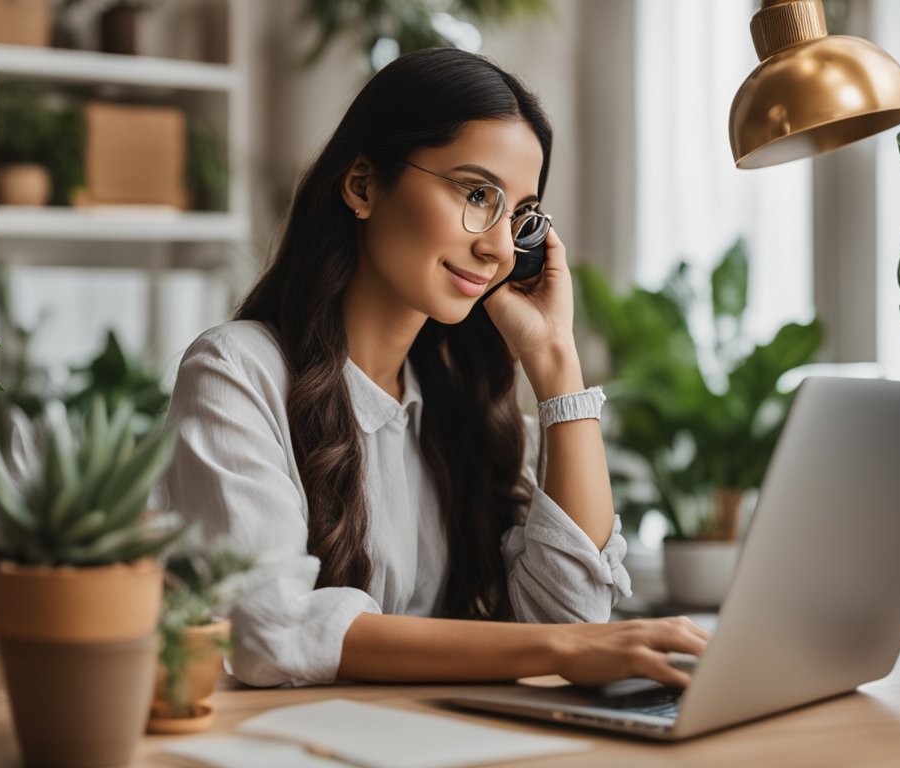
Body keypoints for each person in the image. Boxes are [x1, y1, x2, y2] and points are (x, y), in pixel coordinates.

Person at [162, 47, 709, 689]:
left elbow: (573, 612)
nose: (499, 246)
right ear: (363, 184)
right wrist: (557, 650)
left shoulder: (460, 403)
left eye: (520, 214)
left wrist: (556, 359)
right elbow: (273, 629)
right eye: (477, 195)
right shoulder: (236, 371)